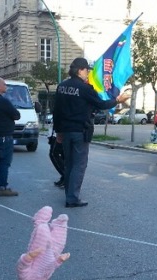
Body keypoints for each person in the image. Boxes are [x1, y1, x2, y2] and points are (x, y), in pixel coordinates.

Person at [53, 57, 129, 208]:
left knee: (69, 164)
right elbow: (101, 104)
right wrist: (117, 100)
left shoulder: (61, 87)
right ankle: (72, 198)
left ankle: (69, 193)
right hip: (80, 131)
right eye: (87, 70)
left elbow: (56, 110)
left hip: (65, 131)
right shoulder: (85, 88)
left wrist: (58, 131)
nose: (88, 73)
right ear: (80, 70)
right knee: (79, 165)